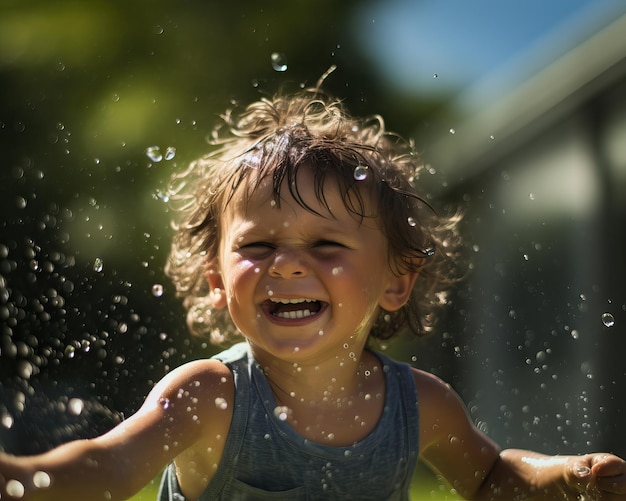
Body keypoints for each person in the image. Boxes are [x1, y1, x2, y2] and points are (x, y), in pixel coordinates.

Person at [1, 88, 625, 501]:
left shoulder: (420, 405)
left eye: (326, 246)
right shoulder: (210, 397)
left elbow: (490, 478)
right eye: (259, 246)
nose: (290, 266)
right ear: (217, 281)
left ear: (395, 280)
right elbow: (108, 466)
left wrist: (561, 476)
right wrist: (24, 478)